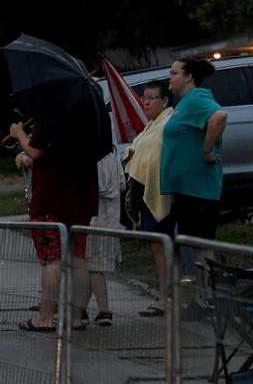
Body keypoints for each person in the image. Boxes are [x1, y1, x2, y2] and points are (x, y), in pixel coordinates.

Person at [8, 113, 100, 332]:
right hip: (81, 196)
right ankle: (76, 318)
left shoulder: (50, 111)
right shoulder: (89, 115)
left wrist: (19, 134)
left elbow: (37, 149)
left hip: (52, 198)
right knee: (79, 259)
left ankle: (46, 318)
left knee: (51, 259)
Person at [124, 82, 175, 317]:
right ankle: (165, 294)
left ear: (164, 101)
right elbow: (142, 150)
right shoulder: (152, 125)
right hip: (146, 191)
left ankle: (167, 297)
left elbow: (157, 155)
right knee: (157, 247)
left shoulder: (167, 123)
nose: (145, 102)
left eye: (151, 98)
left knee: (162, 246)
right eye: (144, 98)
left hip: (160, 193)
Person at [161, 58, 227, 240]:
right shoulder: (185, 102)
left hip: (198, 191)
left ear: (189, 77)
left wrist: (206, 151)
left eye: (174, 73)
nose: (169, 77)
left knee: (202, 246)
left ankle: (208, 270)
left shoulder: (197, 97)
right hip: (186, 190)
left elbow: (219, 115)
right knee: (193, 245)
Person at [85, 146, 124, 326]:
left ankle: (104, 310)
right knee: (90, 267)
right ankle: (80, 307)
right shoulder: (113, 154)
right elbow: (122, 184)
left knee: (92, 265)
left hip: (96, 218)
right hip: (109, 218)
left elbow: (99, 185)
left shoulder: (97, 157)